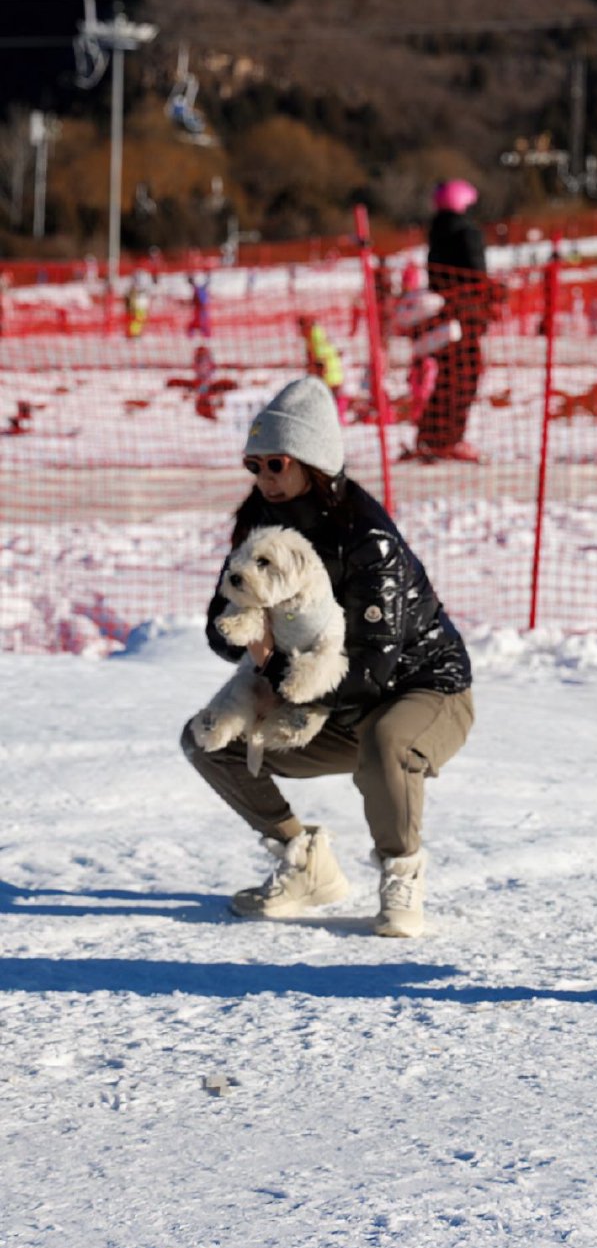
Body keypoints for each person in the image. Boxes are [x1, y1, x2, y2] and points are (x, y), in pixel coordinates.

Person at [182, 377, 475, 936]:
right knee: (208, 740)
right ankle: (302, 857)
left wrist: (271, 665)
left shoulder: (368, 537)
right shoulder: (258, 526)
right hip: (317, 696)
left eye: (277, 463)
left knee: (386, 740)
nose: (264, 477)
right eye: (255, 465)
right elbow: (221, 629)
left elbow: (369, 672)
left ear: (312, 461)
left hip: (422, 688)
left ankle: (401, 872)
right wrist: (244, 635)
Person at [415, 179, 493, 462]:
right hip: (468, 314)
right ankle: (449, 439)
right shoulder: (467, 232)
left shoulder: (436, 233)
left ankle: (430, 436)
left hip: (444, 314)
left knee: (447, 376)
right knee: (466, 376)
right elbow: (477, 274)